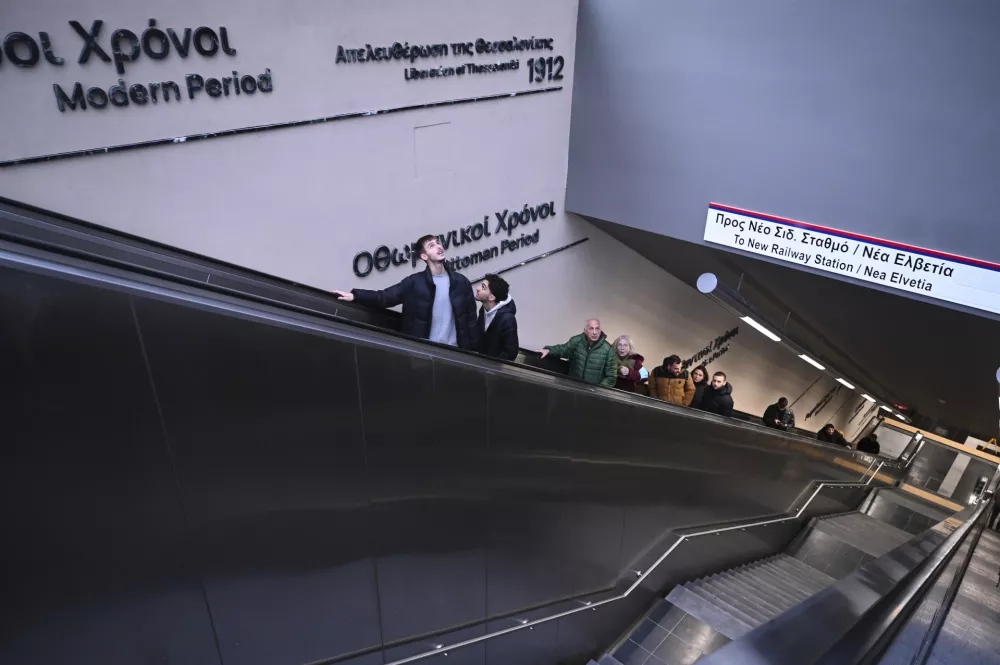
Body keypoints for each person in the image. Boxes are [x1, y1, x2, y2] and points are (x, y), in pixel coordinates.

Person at [333, 234, 480, 350]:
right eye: (431, 245)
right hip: (424, 351)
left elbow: (471, 321)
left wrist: (475, 352)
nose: (438, 247)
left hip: (456, 352)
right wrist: (355, 295)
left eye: (438, 243)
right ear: (424, 256)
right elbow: (385, 297)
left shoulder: (461, 283)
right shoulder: (414, 283)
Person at [540, 319, 618, 387]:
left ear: (600, 331)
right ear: (585, 330)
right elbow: (564, 349)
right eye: (591, 328)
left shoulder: (608, 350)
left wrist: (598, 391)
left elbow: (611, 377)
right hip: (573, 386)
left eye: (597, 329)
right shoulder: (577, 341)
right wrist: (549, 350)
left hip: (592, 393)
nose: (594, 332)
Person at [475, 273, 518, 361]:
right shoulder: (483, 309)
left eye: (483, 287)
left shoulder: (508, 319)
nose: (477, 288)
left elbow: (510, 353)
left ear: (492, 297)